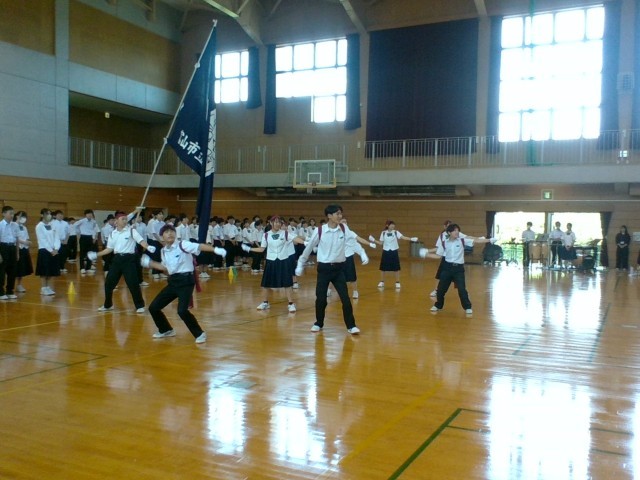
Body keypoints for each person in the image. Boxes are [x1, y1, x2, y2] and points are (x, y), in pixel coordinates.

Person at [140, 223, 226, 344]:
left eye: (172, 231)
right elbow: (166, 268)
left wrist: (215, 249)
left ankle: (199, 333)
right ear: (162, 236)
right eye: (166, 232)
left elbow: (199, 246)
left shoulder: (182, 244)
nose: (170, 233)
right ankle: (166, 329)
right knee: (154, 308)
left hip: (186, 281)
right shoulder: (163, 251)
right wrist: (150, 263)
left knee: (182, 311)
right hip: (173, 282)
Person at [296, 204, 361, 335]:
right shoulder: (320, 230)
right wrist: (300, 263)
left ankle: (351, 325)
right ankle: (318, 323)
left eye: (341, 213)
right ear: (329, 216)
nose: (340, 216)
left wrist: (362, 253)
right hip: (324, 269)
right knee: (321, 299)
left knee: (345, 299)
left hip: (338, 269)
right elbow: (309, 247)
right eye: (337, 214)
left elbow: (354, 243)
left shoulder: (344, 229)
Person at [420, 223, 494, 314]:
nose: (457, 232)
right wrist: (426, 254)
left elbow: (476, 241)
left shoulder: (462, 240)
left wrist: (489, 240)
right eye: (454, 230)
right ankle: (438, 305)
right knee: (441, 289)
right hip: (447, 268)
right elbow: (438, 256)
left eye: (458, 230)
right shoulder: (444, 243)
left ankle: (467, 307)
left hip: (458, 269)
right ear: (449, 233)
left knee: (462, 289)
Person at [88, 209, 153, 313]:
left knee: (133, 283)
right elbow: (109, 249)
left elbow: (141, 241)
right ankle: (108, 305)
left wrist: (148, 247)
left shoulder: (131, 231)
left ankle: (140, 305)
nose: (125, 221)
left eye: (126, 219)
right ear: (116, 221)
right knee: (109, 283)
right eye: (123, 219)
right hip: (117, 259)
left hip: (129, 260)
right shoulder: (112, 234)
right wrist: (96, 254)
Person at [243, 216, 305, 313]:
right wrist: (249, 249)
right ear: (271, 223)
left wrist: (306, 242)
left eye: (279, 222)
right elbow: (262, 249)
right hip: (271, 261)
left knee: (287, 283)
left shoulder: (285, 233)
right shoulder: (266, 235)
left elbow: (296, 239)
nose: (278, 224)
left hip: (283, 260)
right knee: (266, 284)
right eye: (276, 222)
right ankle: (265, 303)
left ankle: (291, 304)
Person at [370, 220, 418, 290]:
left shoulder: (396, 232)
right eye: (391, 224)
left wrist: (411, 239)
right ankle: (382, 281)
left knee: (396, 267)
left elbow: (403, 237)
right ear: (387, 225)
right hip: (386, 251)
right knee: (383, 268)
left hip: (394, 251)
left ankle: (397, 282)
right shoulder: (383, 233)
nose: (393, 226)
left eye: (393, 224)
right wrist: (373, 240)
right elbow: (381, 243)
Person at [35, 208, 61, 295]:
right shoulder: (39, 226)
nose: (49, 215)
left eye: (50, 213)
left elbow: (57, 237)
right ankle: (43, 288)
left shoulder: (53, 225)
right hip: (44, 250)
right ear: (42, 215)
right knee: (44, 271)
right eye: (47, 214)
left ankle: (48, 287)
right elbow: (42, 240)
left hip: (54, 250)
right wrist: (50, 250)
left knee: (51, 270)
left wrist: (56, 248)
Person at [0, 205, 20, 300]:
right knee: (1, 271)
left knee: (12, 271)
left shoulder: (15, 225)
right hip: (3, 248)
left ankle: (10, 291)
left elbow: (17, 239)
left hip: (12, 248)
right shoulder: (0, 225)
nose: (12, 215)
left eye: (13, 213)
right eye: (10, 213)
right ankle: (0, 292)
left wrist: (17, 253)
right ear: (3, 214)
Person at [74, 209, 99, 274]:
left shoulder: (93, 221)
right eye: (88, 214)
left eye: (91, 213)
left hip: (90, 238)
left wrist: (94, 238)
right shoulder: (82, 221)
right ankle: (82, 268)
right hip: (83, 237)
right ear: (85, 215)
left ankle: (88, 267)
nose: (90, 215)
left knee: (90, 253)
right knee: (82, 253)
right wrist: (79, 232)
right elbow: (75, 225)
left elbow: (94, 230)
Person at [14, 211, 33, 293]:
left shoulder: (24, 227)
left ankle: (19, 285)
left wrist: (28, 242)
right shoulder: (13, 225)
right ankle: (11, 285)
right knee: (15, 268)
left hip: (24, 249)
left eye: (24, 217)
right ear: (16, 216)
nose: (23, 218)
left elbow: (27, 237)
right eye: (21, 216)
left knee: (22, 268)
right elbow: (14, 238)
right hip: (16, 248)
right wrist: (24, 242)